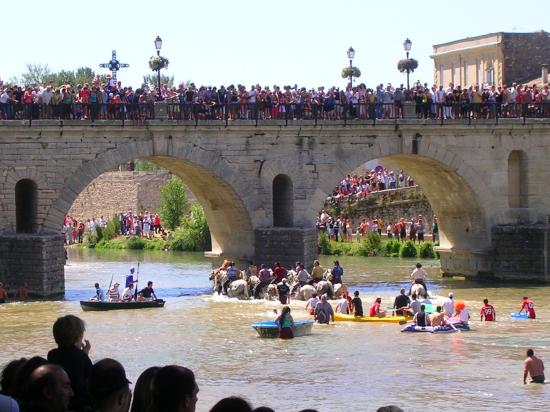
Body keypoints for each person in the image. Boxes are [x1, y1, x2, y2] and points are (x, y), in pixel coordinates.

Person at [47, 315, 92, 411]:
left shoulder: (52, 355)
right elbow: (89, 377)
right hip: (78, 403)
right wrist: (84, 355)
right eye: (81, 337)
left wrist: (83, 354)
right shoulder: (80, 356)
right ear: (76, 339)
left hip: (58, 401)